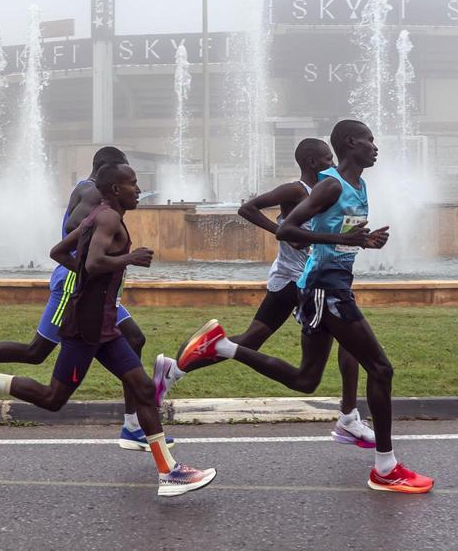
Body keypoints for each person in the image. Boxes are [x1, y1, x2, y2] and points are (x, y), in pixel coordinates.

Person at [173, 120, 433, 494]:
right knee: (381, 368)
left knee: (306, 380)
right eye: (369, 140)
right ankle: (385, 467)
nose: (375, 147)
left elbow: (339, 239)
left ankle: (224, 346)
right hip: (325, 290)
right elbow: (286, 229)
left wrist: (363, 242)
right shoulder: (330, 184)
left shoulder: (359, 185)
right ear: (350, 143)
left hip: (328, 287)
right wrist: (339, 238)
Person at [0, 164, 215, 496]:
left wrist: (85, 277)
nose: (138, 190)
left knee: (141, 388)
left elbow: (57, 252)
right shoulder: (109, 218)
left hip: (103, 323)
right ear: (114, 189)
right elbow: (95, 262)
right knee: (53, 398)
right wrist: (128, 259)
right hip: (87, 326)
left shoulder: (96, 215)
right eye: (132, 184)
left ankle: (169, 472)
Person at [0, 147, 171, 451]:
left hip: (97, 291)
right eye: (128, 177)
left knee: (134, 338)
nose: (135, 187)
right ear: (110, 177)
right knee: (37, 353)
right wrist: (107, 250)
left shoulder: (93, 194)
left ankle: (133, 425)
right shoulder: (96, 198)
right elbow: (72, 228)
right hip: (77, 287)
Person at [154, 139, 376, 448]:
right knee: (347, 342)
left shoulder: (330, 190)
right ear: (312, 162)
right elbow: (247, 208)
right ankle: (349, 416)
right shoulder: (297, 190)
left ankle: (176, 369)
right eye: (327, 159)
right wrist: (283, 234)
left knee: (251, 340)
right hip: (297, 281)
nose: (333, 164)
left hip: (301, 280)